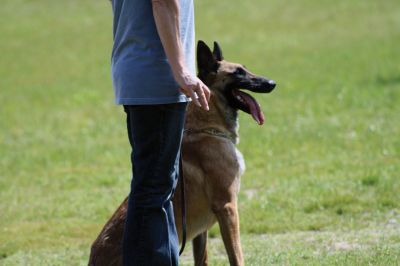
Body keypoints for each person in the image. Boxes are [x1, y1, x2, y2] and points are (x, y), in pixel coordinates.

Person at [110, 0, 210, 265]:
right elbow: (163, 2)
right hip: (159, 79)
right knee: (153, 189)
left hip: (139, 73)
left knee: (157, 187)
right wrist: (180, 70)